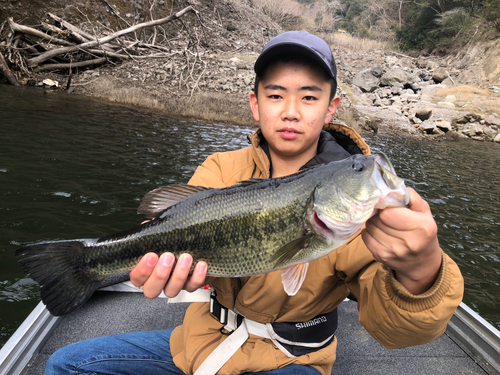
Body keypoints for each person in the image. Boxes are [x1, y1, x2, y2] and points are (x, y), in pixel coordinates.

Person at [45, 31, 464, 375]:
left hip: (292, 359)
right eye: (276, 95)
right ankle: (85, 262)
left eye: (310, 97)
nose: (291, 112)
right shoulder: (219, 168)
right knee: (65, 365)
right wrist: (180, 277)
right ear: (255, 102)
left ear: (331, 107)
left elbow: (396, 332)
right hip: (202, 343)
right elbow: (174, 228)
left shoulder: (369, 223)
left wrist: (421, 271)